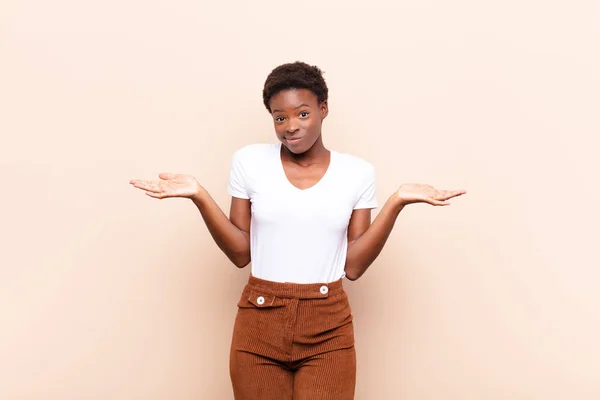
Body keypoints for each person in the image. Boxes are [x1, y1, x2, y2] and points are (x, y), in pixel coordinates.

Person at [129, 61, 466, 399]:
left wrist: (396, 202)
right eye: (280, 117)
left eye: (302, 114)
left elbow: (354, 267)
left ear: (323, 109)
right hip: (259, 320)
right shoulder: (249, 162)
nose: (291, 126)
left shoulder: (357, 173)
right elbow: (240, 253)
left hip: (327, 324)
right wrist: (199, 196)